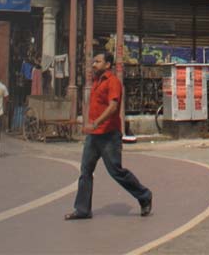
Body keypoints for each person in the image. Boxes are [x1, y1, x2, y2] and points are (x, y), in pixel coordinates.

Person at [65, 51, 152, 220]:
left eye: (97, 62)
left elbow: (113, 107)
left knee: (116, 171)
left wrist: (96, 122)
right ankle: (82, 209)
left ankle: (144, 196)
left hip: (109, 135)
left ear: (107, 65)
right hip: (94, 135)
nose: (93, 65)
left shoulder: (113, 82)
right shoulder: (97, 82)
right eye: (93, 62)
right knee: (85, 171)